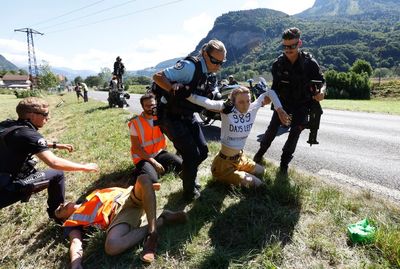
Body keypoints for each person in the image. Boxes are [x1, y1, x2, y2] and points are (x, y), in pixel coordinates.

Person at [55, 175, 187, 267]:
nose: (61, 205)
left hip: (129, 197)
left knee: (143, 179)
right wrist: (75, 264)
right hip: (120, 216)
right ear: (64, 219)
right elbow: (75, 243)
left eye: (61, 204)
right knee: (112, 246)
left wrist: (145, 189)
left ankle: (152, 227)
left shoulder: (89, 197)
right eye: (59, 211)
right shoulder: (72, 222)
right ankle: (159, 222)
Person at [0, 97, 98, 220]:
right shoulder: (28, 134)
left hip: (3, 179)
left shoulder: (8, 126)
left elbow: (27, 142)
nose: (48, 117)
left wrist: (56, 145)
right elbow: (54, 162)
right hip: (7, 188)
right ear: (31, 115)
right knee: (57, 173)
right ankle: (57, 214)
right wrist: (84, 167)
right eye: (45, 114)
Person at [152, 39, 227, 201]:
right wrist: (172, 88)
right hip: (170, 116)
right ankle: (188, 193)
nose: (218, 66)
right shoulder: (190, 67)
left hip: (187, 115)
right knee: (192, 154)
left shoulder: (210, 72)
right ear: (205, 54)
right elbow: (157, 77)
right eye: (215, 61)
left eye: (222, 62)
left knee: (203, 152)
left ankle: (187, 174)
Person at [253, 27, 326, 174]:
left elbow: (322, 81)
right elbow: (274, 87)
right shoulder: (278, 64)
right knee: (271, 130)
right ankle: (258, 156)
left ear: (299, 43)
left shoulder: (310, 63)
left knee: (294, 134)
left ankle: (284, 166)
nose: (288, 50)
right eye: (285, 46)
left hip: (302, 104)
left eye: (292, 46)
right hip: (283, 103)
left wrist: (322, 92)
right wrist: (268, 98)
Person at [186, 86, 289, 187]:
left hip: (240, 158)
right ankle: (223, 175)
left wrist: (279, 109)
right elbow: (207, 103)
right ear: (234, 102)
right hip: (224, 164)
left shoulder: (253, 107)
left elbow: (270, 92)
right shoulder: (227, 109)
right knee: (259, 184)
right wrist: (187, 94)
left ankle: (240, 170)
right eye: (241, 102)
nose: (245, 105)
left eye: (248, 101)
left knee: (263, 172)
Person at [128, 93, 182, 184]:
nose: (150, 108)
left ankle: (150, 169)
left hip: (159, 153)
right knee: (153, 180)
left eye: (152, 105)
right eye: (147, 106)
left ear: (156, 104)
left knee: (181, 165)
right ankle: (139, 172)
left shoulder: (160, 118)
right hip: (143, 158)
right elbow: (136, 148)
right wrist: (154, 162)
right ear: (142, 107)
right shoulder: (135, 123)